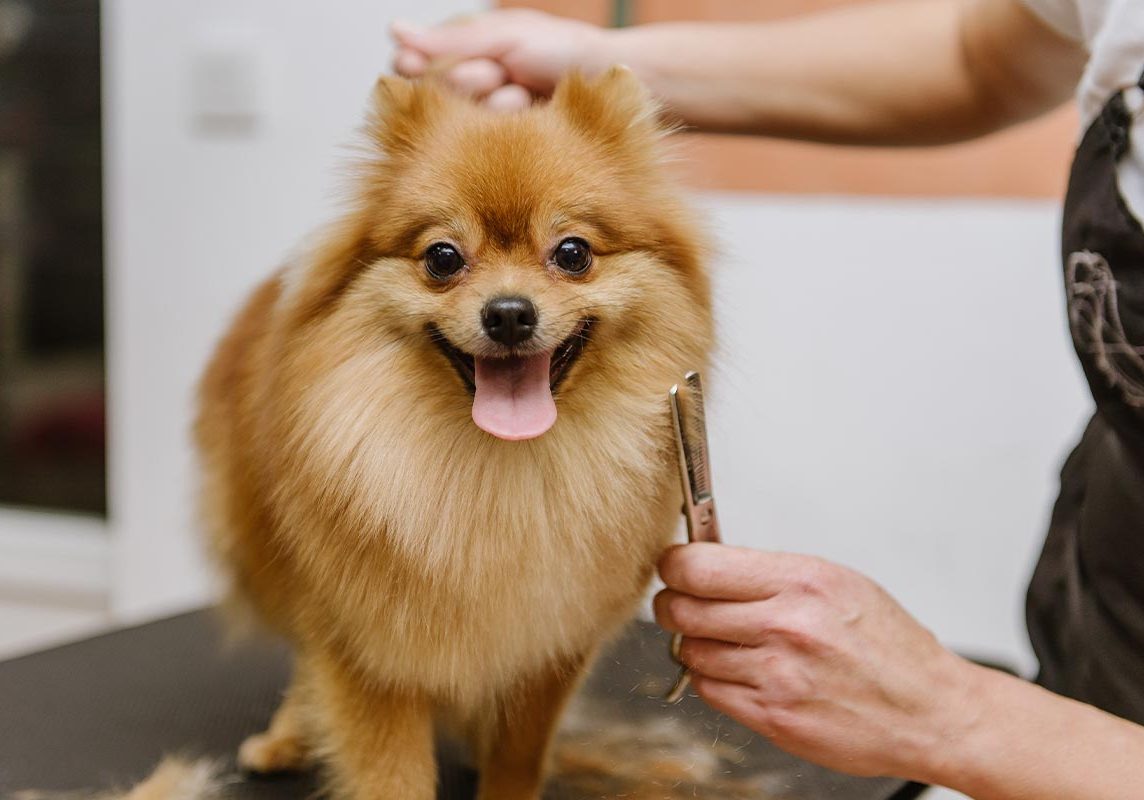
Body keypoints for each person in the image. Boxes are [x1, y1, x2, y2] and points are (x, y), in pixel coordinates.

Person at [390, 2, 1144, 797]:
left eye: (571, 254)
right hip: (1106, 597)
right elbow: (978, 57)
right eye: (446, 260)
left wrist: (955, 715)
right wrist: (593, 60)